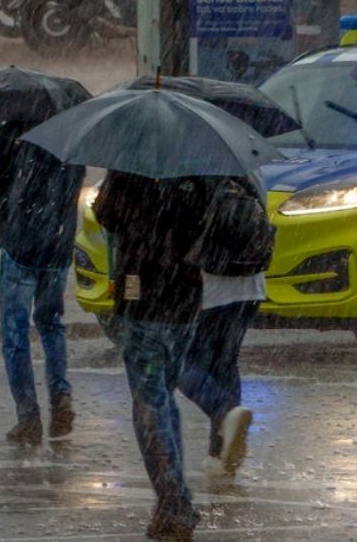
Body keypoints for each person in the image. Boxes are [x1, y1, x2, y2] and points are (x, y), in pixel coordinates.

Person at [94, 171, 213, 541]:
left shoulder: (132, 168)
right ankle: (171, 503)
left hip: (144, 301)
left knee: (150, 407)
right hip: (186, 305)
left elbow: (107, 216)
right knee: (163, 400)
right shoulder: (203, 170)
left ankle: (175, 503)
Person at [0, 121, 85, 446]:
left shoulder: (8, 139)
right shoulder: (69, 141)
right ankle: (60, 396)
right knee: (51, 324)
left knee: (15, 333)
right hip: (57, 249)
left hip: (20, 245)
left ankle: (28, 416)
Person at [176, 172, 271, 480]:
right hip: (250, 284)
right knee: (225, 363)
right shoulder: (247, 168)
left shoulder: (192, 172)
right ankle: (220, 453)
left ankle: (224, 412)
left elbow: (180, 231)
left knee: (176, 362)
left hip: (209, 286)